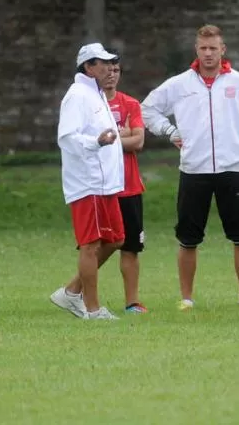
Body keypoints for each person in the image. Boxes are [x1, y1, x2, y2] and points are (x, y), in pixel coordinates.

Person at [141, 25, 239, 311]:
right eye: (203, 48)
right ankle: (186, 298)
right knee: (188, 237)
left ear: (223, 50)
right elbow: (147, 109)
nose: (208, 54)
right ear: (196, 50)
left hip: (233, 168)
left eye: (213, 48)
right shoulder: (179, 84)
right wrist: (169, 131)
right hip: (194, 170)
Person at [50, 42, 125, 320]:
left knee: (116, 239)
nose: (108, 68)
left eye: (109, 63)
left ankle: (71, 292)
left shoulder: (97, 94)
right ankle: (92, 310)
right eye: (102, 63)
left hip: (107, 183)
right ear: (88, 67)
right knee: (91, 245)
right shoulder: (77, 95)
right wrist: (96, 141)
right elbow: (68, 137)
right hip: (87, 182)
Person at [103, 57, 148, 314]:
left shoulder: (130, 104)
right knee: (96, 245)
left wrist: (108, 139)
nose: (112, 74)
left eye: (116, 70)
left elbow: (139, 142)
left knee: (130, 247)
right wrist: (124, 135)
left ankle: (131, 302)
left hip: (129, 187)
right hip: (100, 186)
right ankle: (85, 298)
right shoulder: (91, 106)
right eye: (107, 69)